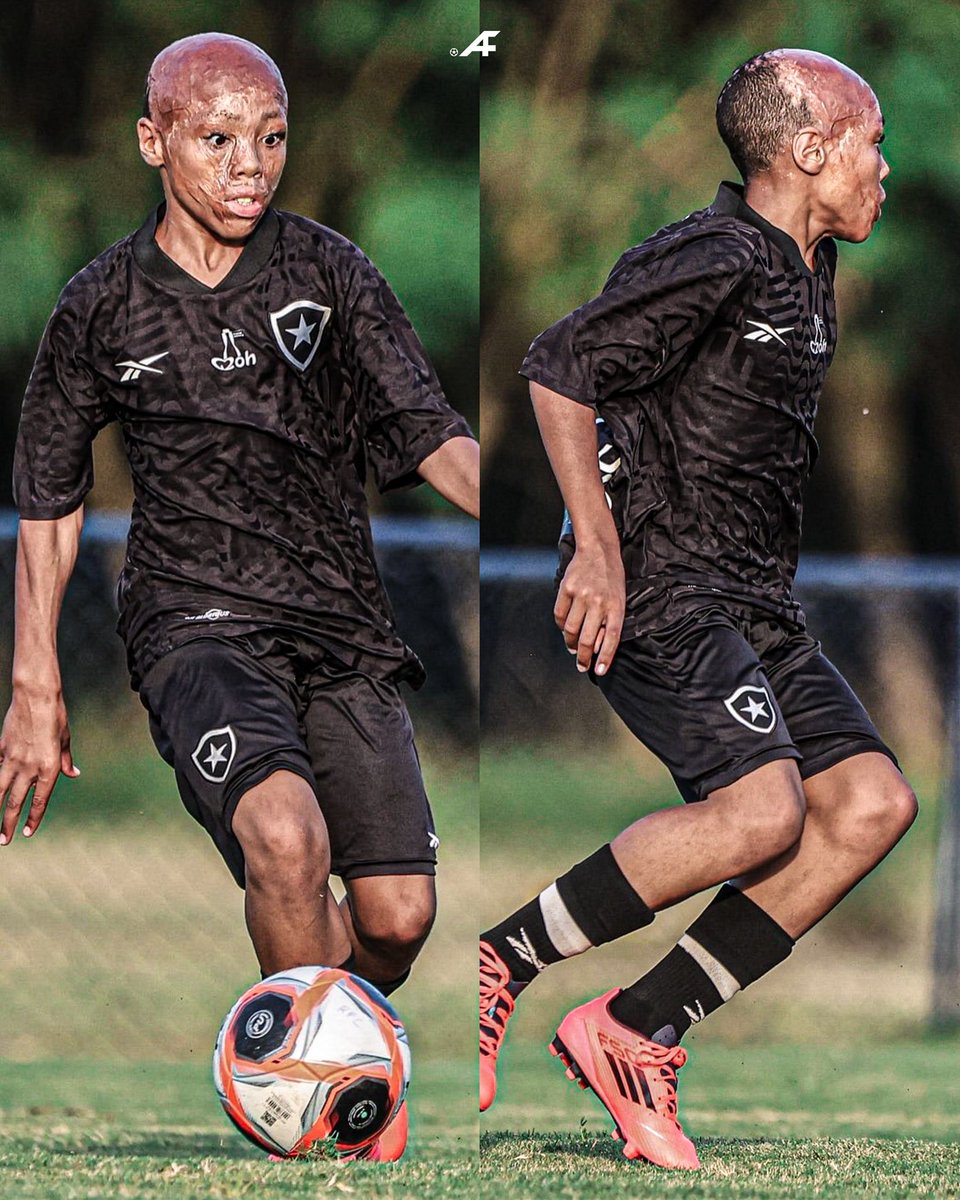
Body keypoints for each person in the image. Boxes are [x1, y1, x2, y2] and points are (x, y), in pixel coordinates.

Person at [2, 32, 479, 1162]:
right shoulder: (102, 305)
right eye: (217, 139)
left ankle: (333, 1048)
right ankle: (314, 1099)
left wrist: (567, 523)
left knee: (398, 919)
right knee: (283, 836)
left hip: (342, 630)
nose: (248, 165)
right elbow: (51, 499)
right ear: (153, 141)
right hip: (194, 627)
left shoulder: (329, 271)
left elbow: (431, 434)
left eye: (269, 138)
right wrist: (34, 682)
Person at [479, 48, 916, 1171]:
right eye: (871, 142)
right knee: (765, 812)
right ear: (808, 149)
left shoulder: (809, 267)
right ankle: (506, 957)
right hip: (661, 586)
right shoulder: (714, 252)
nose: (885, 166)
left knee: (869, 803)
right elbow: (559, 366)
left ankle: (635, 1030)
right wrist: (598, 553)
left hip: (752, 599)